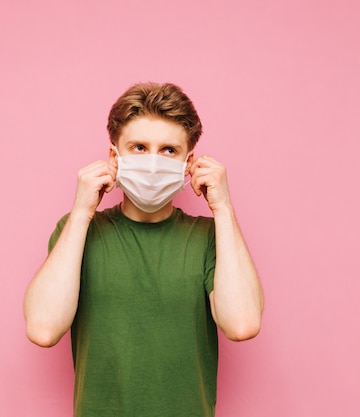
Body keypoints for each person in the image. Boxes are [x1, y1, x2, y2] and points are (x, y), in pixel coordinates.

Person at [24, 82, 264, 417]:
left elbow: (242, 324)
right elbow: (43, 328)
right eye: (139, 147)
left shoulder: (209, 236)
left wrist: (223, 207)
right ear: (114, 156)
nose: (153, 163)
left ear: (188, 162)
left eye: (168, 150)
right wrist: (81, 212)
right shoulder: (79, 232)